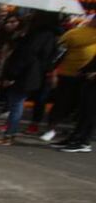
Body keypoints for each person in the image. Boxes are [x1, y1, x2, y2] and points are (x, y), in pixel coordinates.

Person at [0, 11, 59, 146]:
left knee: (16, 104)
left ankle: (9, 135)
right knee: (16, 103)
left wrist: (11, 75)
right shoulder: (51, 36)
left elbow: (25, 56)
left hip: (24, 75)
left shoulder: (36, 36)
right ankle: (9, 134)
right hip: (34, 74)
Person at [40, 14, 96, 143]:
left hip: (88, 78)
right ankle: (51, 129)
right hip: (67, 75)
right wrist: (53, 72)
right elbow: (58, 53)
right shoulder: (74, 33)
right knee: (61, 104)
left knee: (83, 108)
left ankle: (77, 134)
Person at [52, 53, 96, 152]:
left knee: (90, 114)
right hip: (90, 83)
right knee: (84, 112)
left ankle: (84, 142)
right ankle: (74, 138)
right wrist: (83, 71)